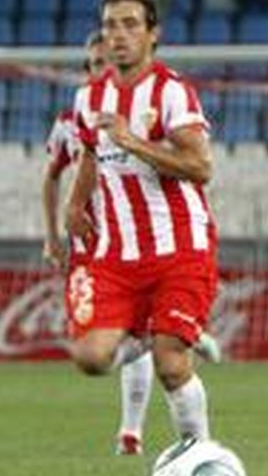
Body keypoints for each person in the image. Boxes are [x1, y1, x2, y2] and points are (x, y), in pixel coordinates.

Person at [42, 32, 220, 454]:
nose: (99, 70)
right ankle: (162, 333)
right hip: (100, 242)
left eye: (104, 63)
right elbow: (68, 167)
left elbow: (198, 166)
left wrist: (132, 142)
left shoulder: (164, 94)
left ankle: (147, 436)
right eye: (92, 64)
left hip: (167, 242)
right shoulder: (77, 112)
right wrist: (69, 212)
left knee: (169, 362)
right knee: (90, 357)